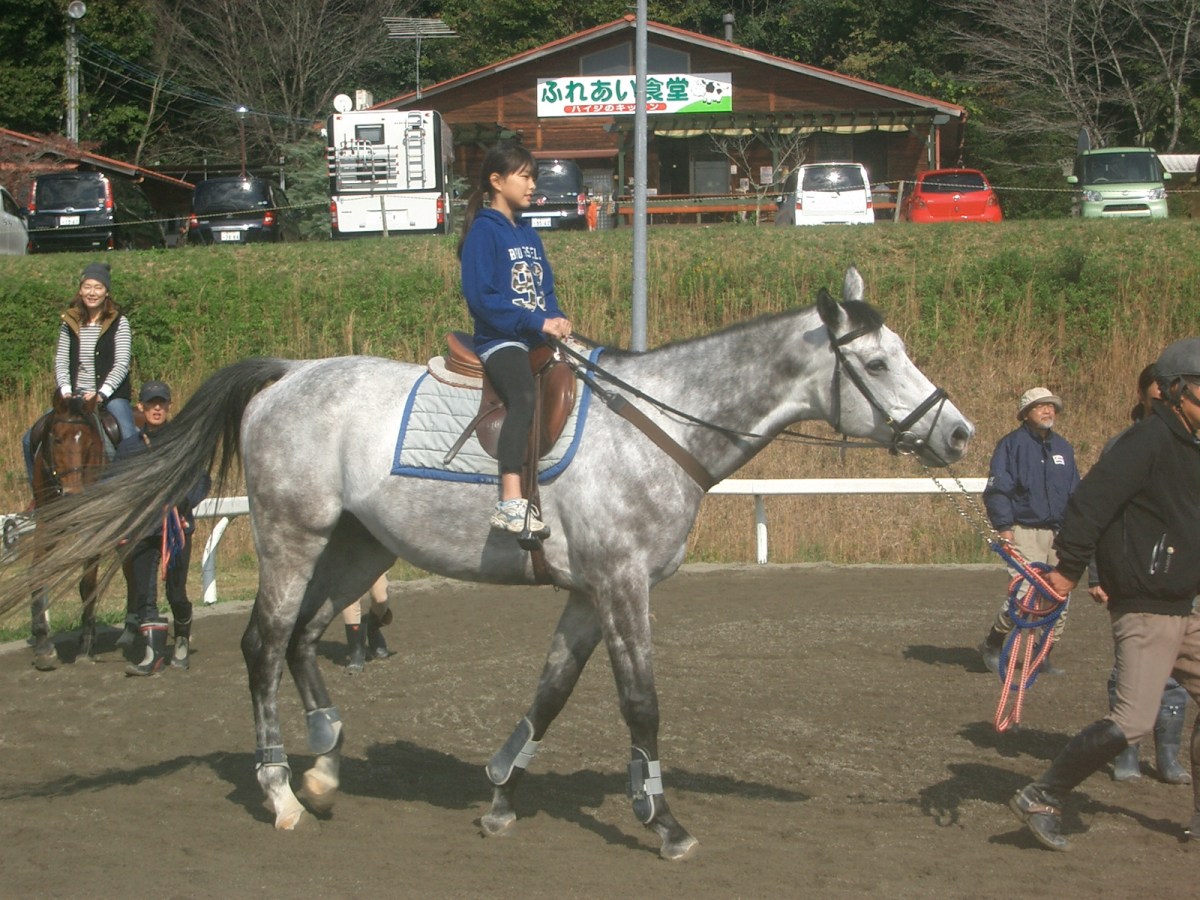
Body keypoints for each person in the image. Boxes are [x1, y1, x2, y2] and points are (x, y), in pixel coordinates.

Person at [1008, 338, 1200, 851]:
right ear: (1174, 391)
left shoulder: (1190, 446)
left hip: (1181, 604)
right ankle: (1041, 795)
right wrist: (1070, 569)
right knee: (1132, 721)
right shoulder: (1147, 442)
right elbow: (1089, 503)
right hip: (1148, 604)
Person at [457, 143, 573, 535]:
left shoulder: (528, 233)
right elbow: (482, 299)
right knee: (523, 396)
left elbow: (545, 289)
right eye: (524, 176)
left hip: (535, 334)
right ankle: (509, 500)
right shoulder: (483, 233)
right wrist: (535, 322)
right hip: (501, 339)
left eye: (533, 177)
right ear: (496, 180)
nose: (532, 185)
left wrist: (555, 318)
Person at [1088, 364, 1190, 784]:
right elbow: (1099, 511)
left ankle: (1168, 756)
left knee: (1177, 679)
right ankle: (1125, 752)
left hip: (1183, 579)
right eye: (1157, 393)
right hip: (1139, 581)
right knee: (1130, 674)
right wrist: (1096, 574)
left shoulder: (1191, 449)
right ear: (1145, 396)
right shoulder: (1125, 446)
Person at [978, 387, 1080, 674]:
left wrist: (1076, 530)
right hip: (1024, 530)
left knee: (1059, 597)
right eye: (1040, 406)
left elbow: (1076, 493)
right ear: (1025, 414)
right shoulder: (1011, 446)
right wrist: (1004, 528)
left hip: (1059, 534)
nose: (1048, 411)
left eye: (1052, 406)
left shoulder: (1063, 448)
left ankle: (1042, 652)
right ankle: (994, 641)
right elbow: (998, 489)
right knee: (1025, 595)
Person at [115, 380, 210, 676]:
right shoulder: (128, 448)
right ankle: (152, 655)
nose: (157, 408)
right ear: (140, 408)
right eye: (151, 404)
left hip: (175, 529)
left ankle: (181, 638)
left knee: (176, 593)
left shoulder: (183, 441)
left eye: (161, 403)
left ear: (169, 406)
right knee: (144, 594)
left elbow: (201, 480)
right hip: (143, 529)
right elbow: (112, 483)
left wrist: (183, 502)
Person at [22, 262, 136, 486]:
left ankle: (131, 491)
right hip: (74, 396)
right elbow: (62, 360)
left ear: (106, 292)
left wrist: (101, 394)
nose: (92, 293)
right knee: (29, 439)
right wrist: (65, 391)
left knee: (130, 439)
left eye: (98, 287)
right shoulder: (70, 322)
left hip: (110, 396)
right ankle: (37, 493)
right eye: (87, 287)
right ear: (80, 290)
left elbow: (122, 364)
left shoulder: (119, 322)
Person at [341, 574, 393, 674]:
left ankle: (371, 626)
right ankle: (356, 653)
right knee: (351, 598)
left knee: (381, 598)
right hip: (346, 566)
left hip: (373, 564)